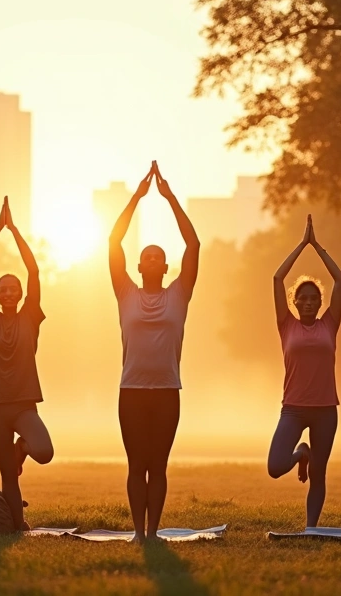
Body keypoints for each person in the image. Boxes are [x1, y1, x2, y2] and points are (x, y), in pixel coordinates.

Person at [108, 161, 200, 544]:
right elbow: (114, 243)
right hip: (131, 391)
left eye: (156, 256)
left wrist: (169, 198)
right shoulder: (125, 293)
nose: (150, 259)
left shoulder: (178, 295)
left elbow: (193, 245)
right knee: (136, 465)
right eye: (145, 255)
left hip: (166, 391)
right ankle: (137, 534)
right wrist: (137, 198)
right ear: (138, 265)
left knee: (158, 466)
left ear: (165, 267)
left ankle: (153, 532)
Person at [0, 196, 54, 531]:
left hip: (23, 404)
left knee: (44, 451)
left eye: (13, 288)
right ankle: (17, 527)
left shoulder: (30, 317)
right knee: (8, 475)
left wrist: (15, 231)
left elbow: (34, 270)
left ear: (21, 294)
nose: (8, 292)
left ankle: (22, 450)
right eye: (2, 288)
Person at [267, 214, 341, 528]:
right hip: (294, 409)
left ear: (320, 302)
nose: (310, 302)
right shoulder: (286, 325)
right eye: (304, 298)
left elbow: (340, 280)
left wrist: (319, 247)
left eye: (315, 299)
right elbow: (276, 279)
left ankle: (311, 528)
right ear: (295, 301)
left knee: (319, 474)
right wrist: (302, 245)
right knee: (274, 466)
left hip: (326, 409)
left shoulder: (330, 324)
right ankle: (301, 452)